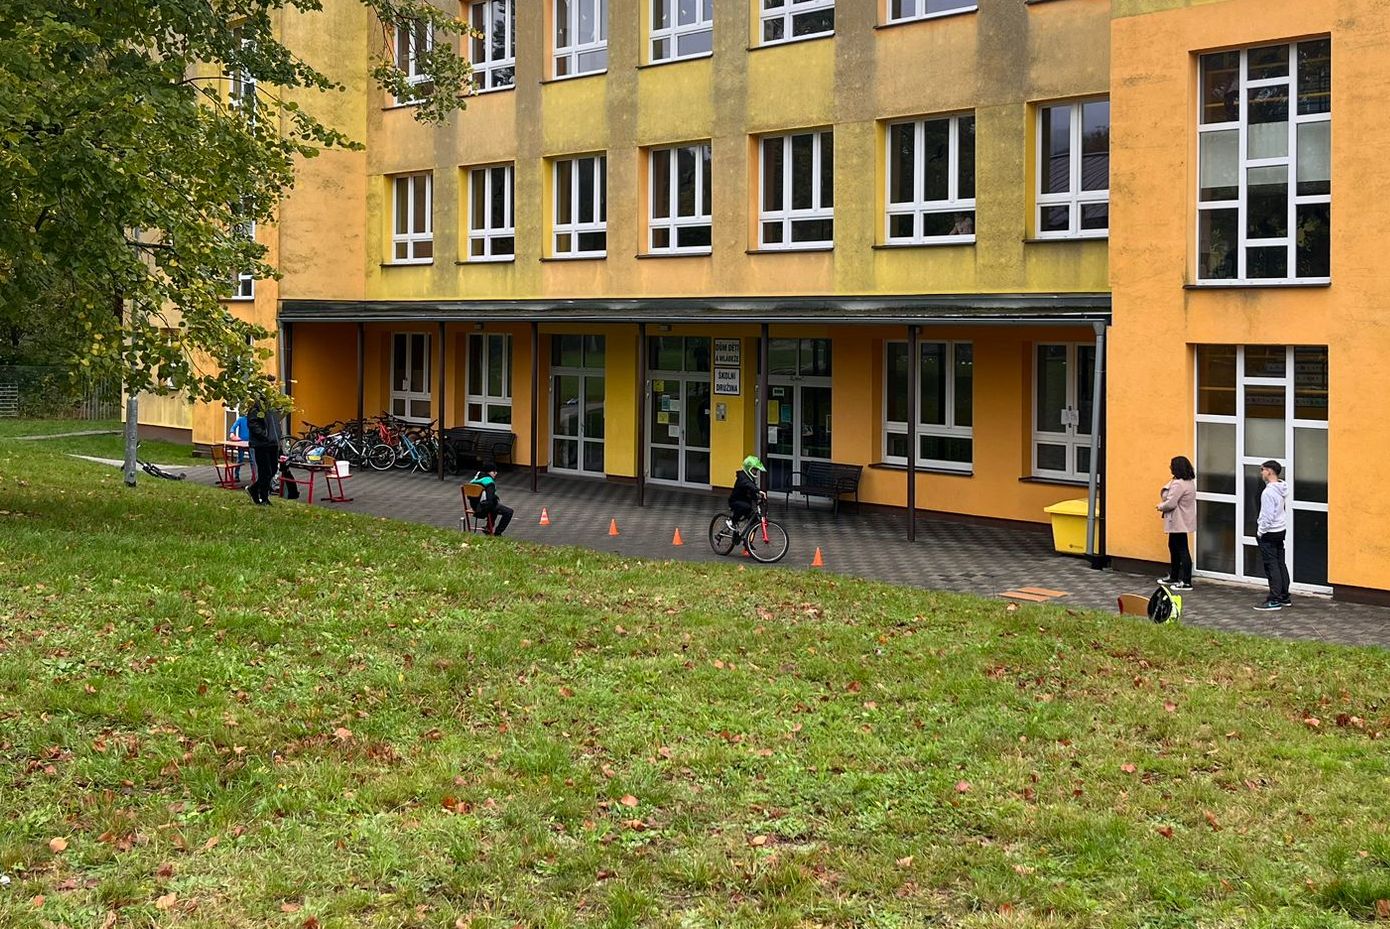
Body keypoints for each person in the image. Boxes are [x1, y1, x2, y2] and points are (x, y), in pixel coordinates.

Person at [1253, 459, 1292, 611]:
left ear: (1269, 471)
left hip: (1269, 532)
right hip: (1280, 530)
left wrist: (1260, 532)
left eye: (1262, 469)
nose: (1261, 473)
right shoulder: (1281, 488)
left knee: (1271, 565)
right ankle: (1284, 596)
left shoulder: (1268, 492)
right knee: (1280, 563)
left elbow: (1267, 516)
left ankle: (1274, 599)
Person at [1156, 455, 1197, 590]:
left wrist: (1160, 506)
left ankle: (1186, 581)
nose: (1170, 468)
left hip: (1178, 520)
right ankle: (1174, 576)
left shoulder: (1178, 484)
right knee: (1174, 546)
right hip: (1183, 519)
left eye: (1172, 466)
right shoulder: (1189, 482)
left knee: (1182, 549)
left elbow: (1171, 503)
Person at [245, 384, 284, 506]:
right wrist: (264, 436)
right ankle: (264, 497)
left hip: (273, 444)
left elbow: (276, 424)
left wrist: (277, 438)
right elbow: (253, 424)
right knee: (265, 471)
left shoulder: (272, 408)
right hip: (262, 444)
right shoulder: (256, 408)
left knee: (273, 470)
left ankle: (254, 489)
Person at [470, 463, 513, 536]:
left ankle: (488, 528)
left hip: (474, 506)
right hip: (482, 508)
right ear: (488, 472)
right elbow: (489, 500)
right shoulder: (489, 482)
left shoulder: (475, 479)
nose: (496, 473)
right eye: (494, 471)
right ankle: (498, 533)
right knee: (509, 512)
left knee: (496, 506)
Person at [728, 455, 767, 531]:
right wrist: (758, 490)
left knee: (755, 521)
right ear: (748, 468)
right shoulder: (742, 476)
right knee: (745, 507)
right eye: (754, 470)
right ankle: (732, 521)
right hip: (735, 501)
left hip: (746, 503)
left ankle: (748, 537)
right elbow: (748, 484)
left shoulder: (751, 478)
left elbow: (751, 491)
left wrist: (758, 499)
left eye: (756, 470)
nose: (755, 472)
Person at [228, 410, 250, 482]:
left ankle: (254, 477)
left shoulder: (253, 420)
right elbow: (233, 427)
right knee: (240, 459)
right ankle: (236, 476)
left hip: (250, 443)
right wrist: (232, 433)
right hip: (241, 443)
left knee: (253, 460)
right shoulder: (241, 419)